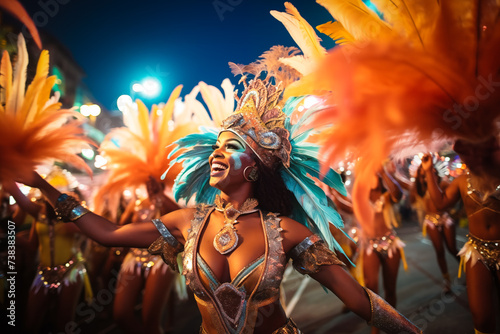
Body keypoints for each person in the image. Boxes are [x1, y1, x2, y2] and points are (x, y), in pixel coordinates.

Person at [17, 79, 420, 334]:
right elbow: (107, 234)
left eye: (230, 147)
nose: (215, 153)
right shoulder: (185, 221)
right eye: (214, 146)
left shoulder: (286, 232)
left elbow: (357, 300)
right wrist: (40, 186)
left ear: (254, 170)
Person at [422, 140, 500, 334]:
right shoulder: (461, 181)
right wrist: (428, 171)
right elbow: (440, 203)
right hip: (477, 253)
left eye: (466, 153)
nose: (464, 159)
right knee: (481, 319)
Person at [3, 170, 92, 333]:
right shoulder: (38, 211)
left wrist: (75, 224)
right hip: (42, 272)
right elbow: (32, 245)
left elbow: (93, 230)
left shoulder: (72, 216)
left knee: (63, 324)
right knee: (31, 323)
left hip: (70, 271)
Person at [410, 162, 459, 293]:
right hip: (430, 221)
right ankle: (447, 281)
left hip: (445, 218)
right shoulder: (420, 188)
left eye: (429, 170)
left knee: (452, 248)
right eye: (422, 171)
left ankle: (469, 271)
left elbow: (455, 196)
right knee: (439, 251)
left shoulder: (442, 184)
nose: (425, 172)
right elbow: (410, 195)